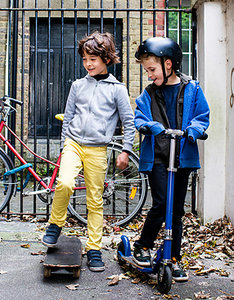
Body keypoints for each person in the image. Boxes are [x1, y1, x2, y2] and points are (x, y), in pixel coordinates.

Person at [41, 32, 136, 272]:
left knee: (95, 200)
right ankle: (55, 224)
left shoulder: (117, 89)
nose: (88, 64)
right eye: (84, 59)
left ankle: (94, 248)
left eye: (93, 58)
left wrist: (125, 150)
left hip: (97, 148)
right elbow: (68, 117)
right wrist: (65, 145)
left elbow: (128, 121)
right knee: (64, 182)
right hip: (73, 143)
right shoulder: (77, 85)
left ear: (106, 58)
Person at [132, 37, 210, 282]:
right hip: (158, 156)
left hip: (182, 156)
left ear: (168, 65)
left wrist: (194, 130)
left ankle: (172, 258)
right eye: (146, 70)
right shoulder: (149, 93)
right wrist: (150, 126)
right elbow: (139, 117)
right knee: (161, 203)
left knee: (176, 211)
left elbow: (202, 115)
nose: (149, 75)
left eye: (151, 70)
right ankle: (142, 246)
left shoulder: (192, 88)